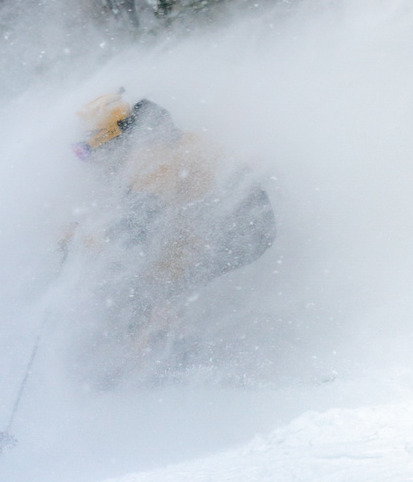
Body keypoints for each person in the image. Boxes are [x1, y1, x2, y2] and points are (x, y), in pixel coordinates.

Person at [66, 91, 276, 380]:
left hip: (241, 228)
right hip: (225, 225)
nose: (90, 161)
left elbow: (137, 223)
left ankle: (176, 362)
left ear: (110, 140)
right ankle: (169, 353)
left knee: (153, 287)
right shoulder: (157, 145)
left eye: (89, 151)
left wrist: (88, 242)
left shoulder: (151, 156)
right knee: (158, 276)